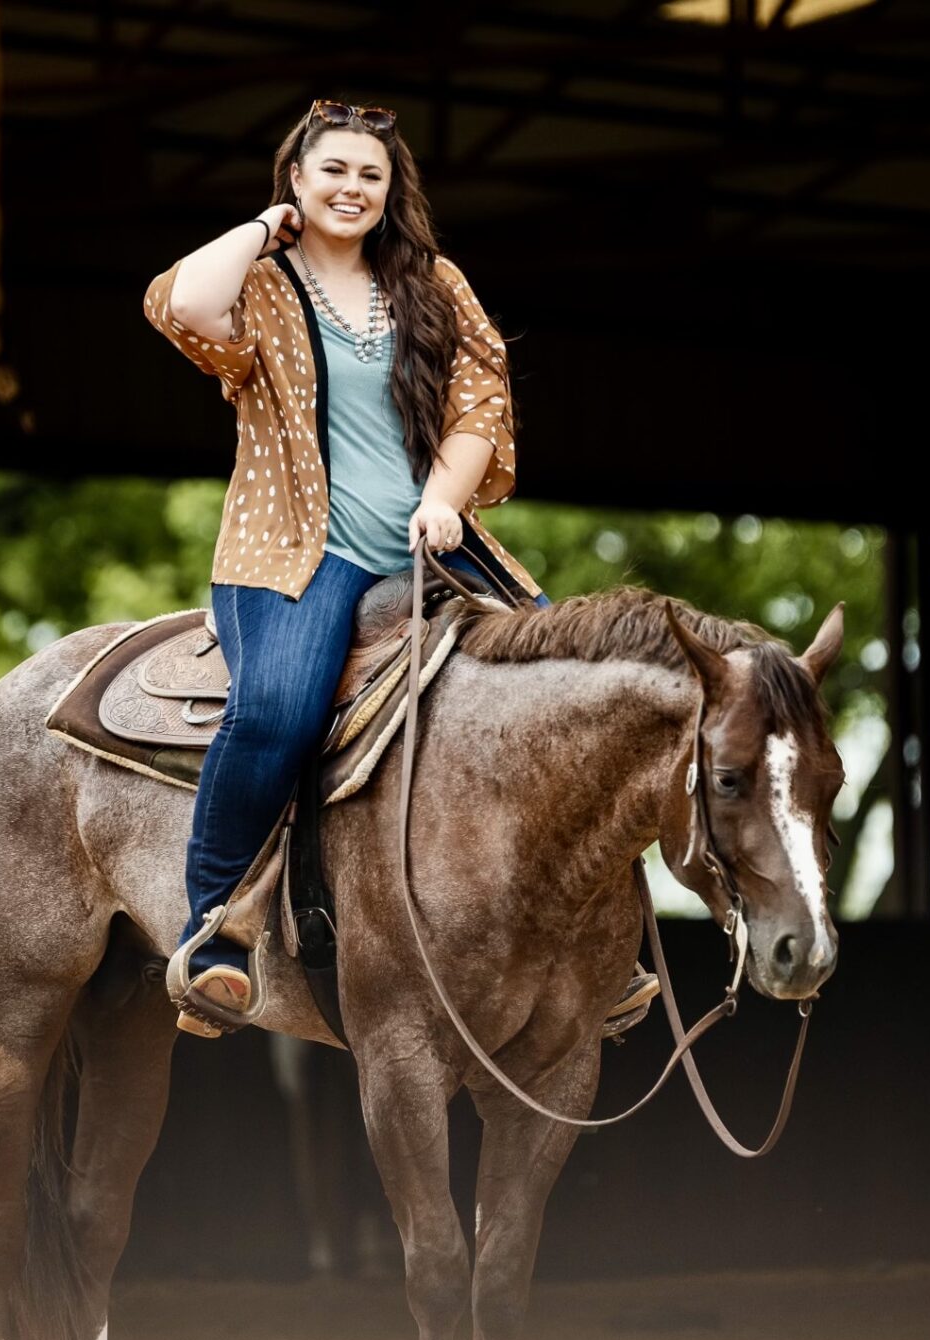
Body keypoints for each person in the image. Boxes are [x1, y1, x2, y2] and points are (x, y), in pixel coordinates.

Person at [144, 99, 654, 1034]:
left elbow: (479, 405)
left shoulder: (432, 283)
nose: (352, 188)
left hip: (430, 543)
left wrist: (442, 501)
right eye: (331, 170)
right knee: (279, 712)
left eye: (370, 175)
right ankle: (213, 933)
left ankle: (603, 951)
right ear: (296, 178)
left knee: (587, 701)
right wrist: (268, 229)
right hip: (297, 554)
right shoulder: (261, 280)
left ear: (392, 191)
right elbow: (184, 304)